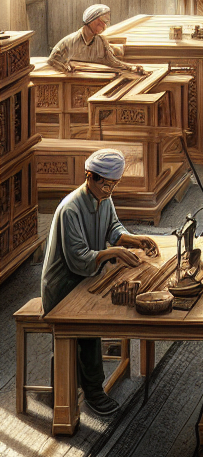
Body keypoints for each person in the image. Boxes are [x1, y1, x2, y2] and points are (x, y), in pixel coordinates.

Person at [40, 148, 160, 415]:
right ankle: (84, 391)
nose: (109, 190)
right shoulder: (70, 208)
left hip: (87, 277)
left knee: (102, 317)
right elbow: (78, 258)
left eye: (114, 185)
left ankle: (85, 385)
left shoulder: (104, 199)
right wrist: (114, 253)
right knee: (87, 329)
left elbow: (113, 228)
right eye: (105, 184)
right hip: (63, 285)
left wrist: (133, 239)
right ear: (89, 177)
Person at [47, 4, 145, 75]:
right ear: (92, 21)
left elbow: (113, 62)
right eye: (103, 22)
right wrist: (64, 67)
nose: (105, 26)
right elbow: (52, 60)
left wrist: (131, 67)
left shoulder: (101, 42)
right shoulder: (69, 41)